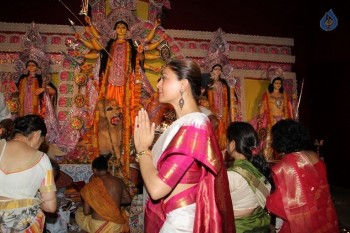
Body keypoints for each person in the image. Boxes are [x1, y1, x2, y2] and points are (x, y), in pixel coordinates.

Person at [133, 58, 234, 232]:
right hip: (174, 216)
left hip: (180, 223)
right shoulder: (183, 124)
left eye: (164, 77)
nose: (158, 84)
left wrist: (143, 150)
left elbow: (157, 189)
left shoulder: (194, 126)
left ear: (183, 84)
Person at [266, 119, 339, 232]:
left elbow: (280, 205)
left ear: (280, 140)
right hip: (324, 217)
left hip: (299, 224)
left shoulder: (283, 167)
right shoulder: (314, 155)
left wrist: (267, 200)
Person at [0, 114, 57, 232]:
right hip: (25, 224)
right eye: (41, 141)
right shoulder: (42, 159)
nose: (39, 146)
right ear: (37, 134)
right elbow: (50, 207)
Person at [226, 122, 272, 233]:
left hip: (239, 228)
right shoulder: (258, 167)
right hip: (261, 226)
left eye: (226, 141)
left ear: (232, 145)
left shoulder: (231, 175)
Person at [75, 156, 132, 233]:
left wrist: (98, 204)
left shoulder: (89, 187)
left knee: (79, 212)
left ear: (94, 170)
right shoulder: (119, 181)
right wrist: (111, 202)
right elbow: (128, 200)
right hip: (116, 225)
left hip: (97, 226)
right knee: (124, 212)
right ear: (108, 168)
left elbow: (86, 212)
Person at [256, 76, 294, 160]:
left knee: (282, 140)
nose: (278, 85)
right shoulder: (267, 95)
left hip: (282, 120)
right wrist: (260, 116)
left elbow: (288, 108)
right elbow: (263, 106)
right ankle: (267, 161)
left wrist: (290, 120)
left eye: (280, 83)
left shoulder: (284, 95)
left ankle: (283, 160)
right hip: (271, 120)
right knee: (268, 140)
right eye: (276, 83)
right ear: (272, 84)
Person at [205, 64, 231, 151]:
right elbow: (204, 96)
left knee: (223, 131)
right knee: (213, 129)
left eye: (219, 69)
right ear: (211, 70)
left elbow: (229, 98)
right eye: (215, 69)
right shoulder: (208, 82)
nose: (217, 71)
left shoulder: (223, 84)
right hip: (211, 110)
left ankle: (222, 155)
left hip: (222, 110)